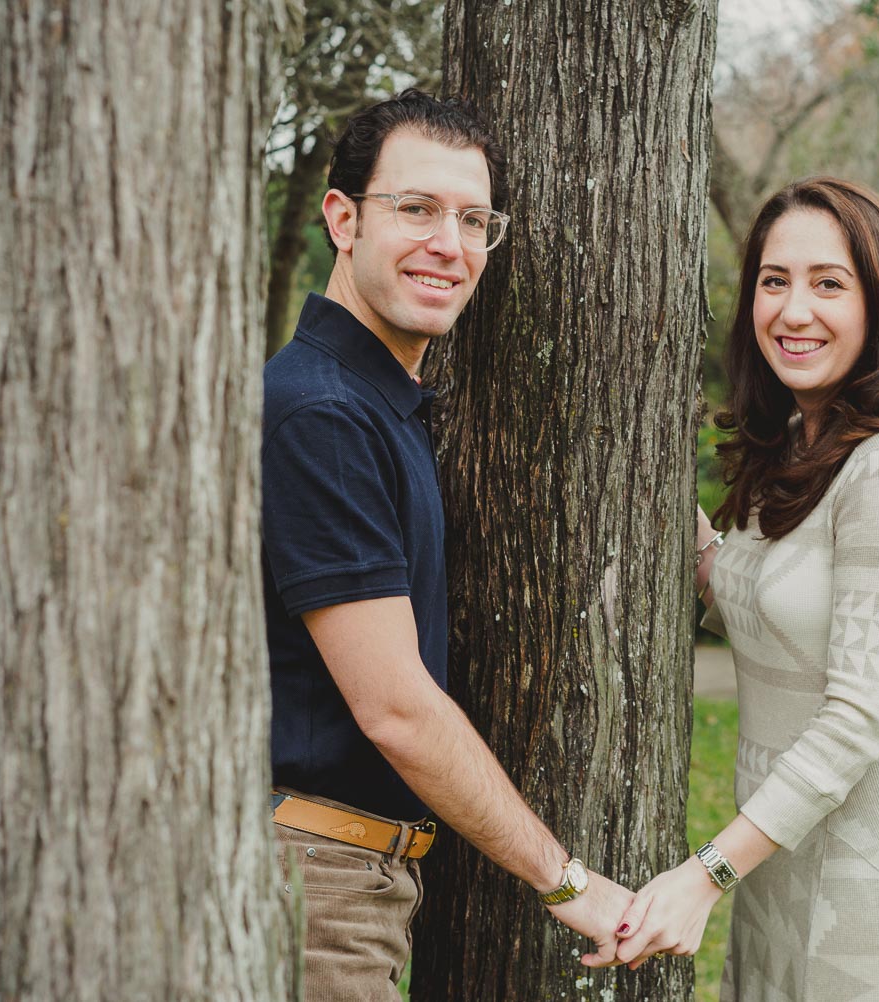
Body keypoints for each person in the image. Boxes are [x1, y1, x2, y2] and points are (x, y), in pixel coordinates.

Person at [261, 89, 629, 1000]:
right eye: (416, 209)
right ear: (342, 219)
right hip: (316, 889)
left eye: (475, 220)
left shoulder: (377, 404)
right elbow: (395, 707)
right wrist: (565, 880)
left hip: (356, 881)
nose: (450, 245)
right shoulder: (323, 416)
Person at [614, 177, 879, 1001]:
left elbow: (856, 720)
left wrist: (705, 874)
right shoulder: (796, 444)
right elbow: (747, 597)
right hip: (781, 879)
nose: (793, 310)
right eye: (773, 281)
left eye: (829, 283)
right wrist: (633, 460)